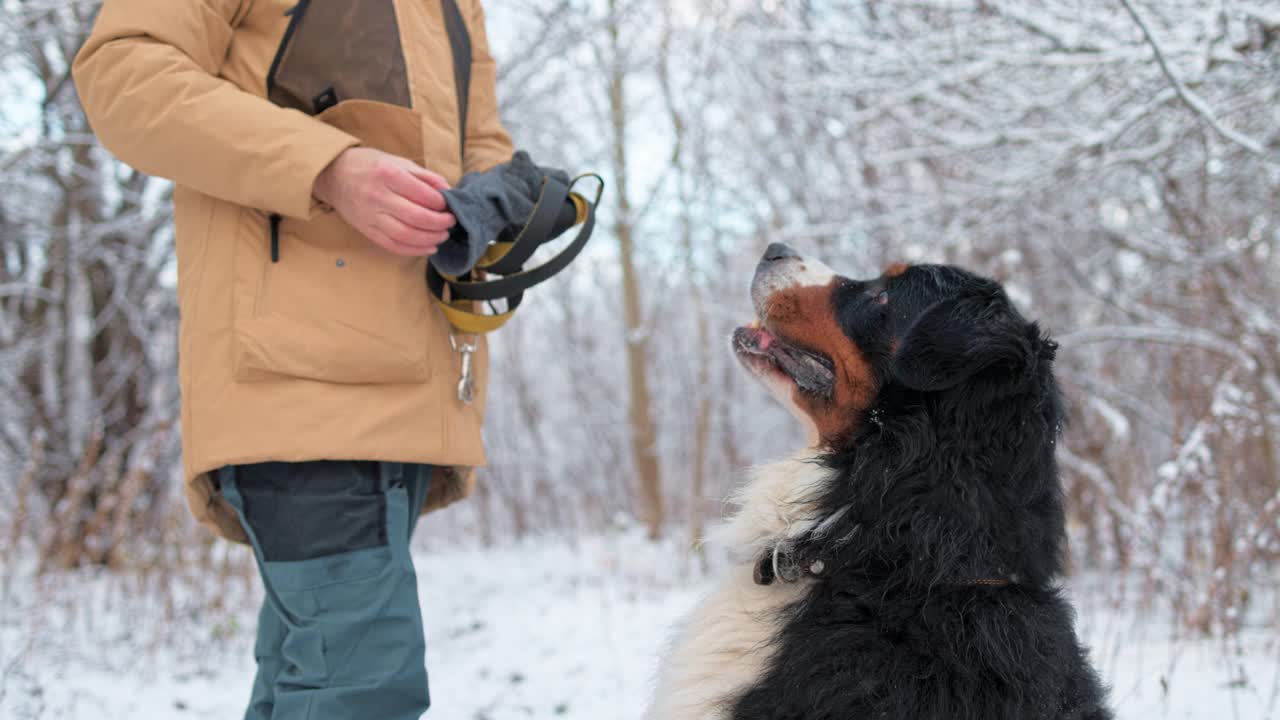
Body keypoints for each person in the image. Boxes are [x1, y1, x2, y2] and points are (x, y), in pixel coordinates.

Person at [73, 1, 514, 717]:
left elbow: (478, 141)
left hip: (412, 380)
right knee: (359, 686)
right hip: (294, 382)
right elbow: (123, 72)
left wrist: (506, 199)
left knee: (315, 683)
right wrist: (328, 167)